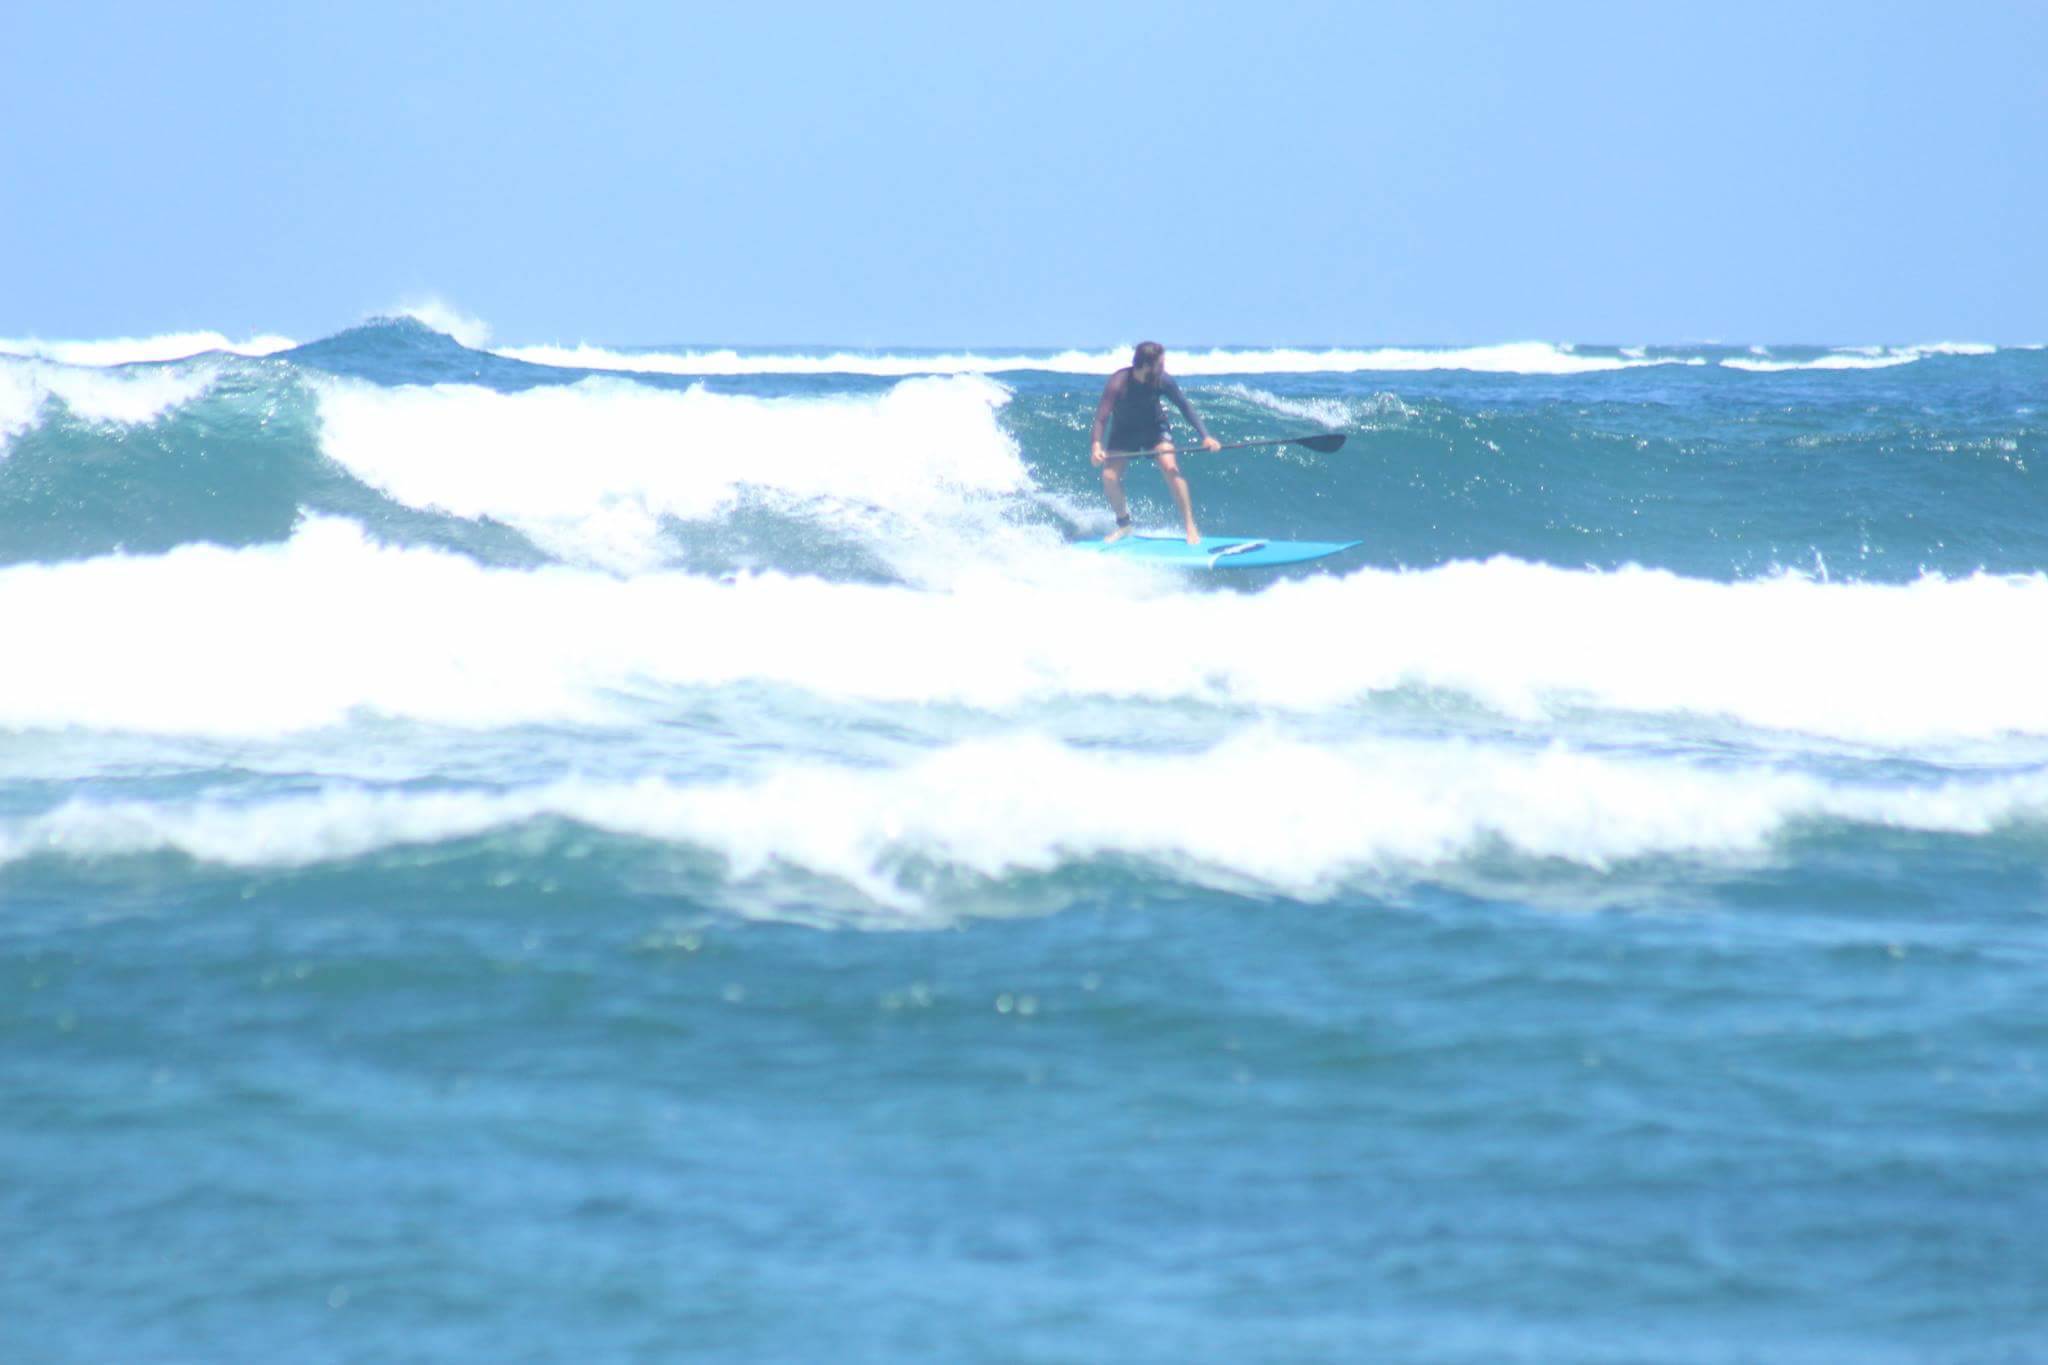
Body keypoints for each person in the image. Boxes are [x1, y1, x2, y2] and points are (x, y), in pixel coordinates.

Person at [1090, 341, 1221, 543]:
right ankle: (1124, 525)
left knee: (1171, 468)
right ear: (1145, 365)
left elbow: (1185, 407)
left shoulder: (1162, 380)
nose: (1163, 367)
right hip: (1124, 431)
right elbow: (1101, 417)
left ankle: (1189, 526)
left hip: (1155, 429)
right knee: (1109, 476)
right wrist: (1096, 445)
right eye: (1160, 364)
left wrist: (1206, 436)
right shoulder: (1118, 382)